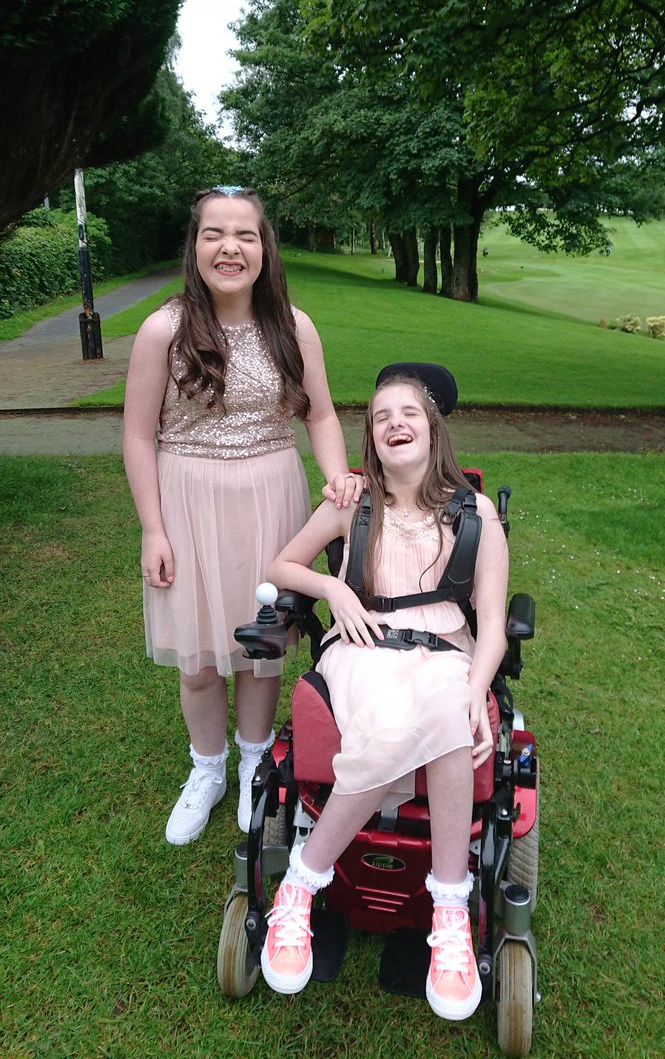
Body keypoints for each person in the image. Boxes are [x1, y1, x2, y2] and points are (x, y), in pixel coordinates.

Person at [262, 367, 509, 1022]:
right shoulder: (352, 501)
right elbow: (281, 565)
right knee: (401, 726)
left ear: (432, 428)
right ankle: (300, 888)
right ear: (371, 437)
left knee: (448, 708)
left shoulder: (476, 513)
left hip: (445, 654)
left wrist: (478, 688)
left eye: (409, 413)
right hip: (362, 650)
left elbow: (490, 622)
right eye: (380, 417)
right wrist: (333, 589)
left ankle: (447, 911)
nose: (395, 423)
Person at [123, 186, 361, 844]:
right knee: (199, 658)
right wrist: (153, 529)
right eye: (214, 234)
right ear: (195, 246)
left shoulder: (293, 326)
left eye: (245, 235)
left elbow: (319, 414)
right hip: (187, 503)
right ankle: (207, 768)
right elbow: (138, 436)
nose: (230, 248)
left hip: (271, 500)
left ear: (264, 249)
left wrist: (337, 477)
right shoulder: (163, 330)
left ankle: (256, 760)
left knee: (261, 651)